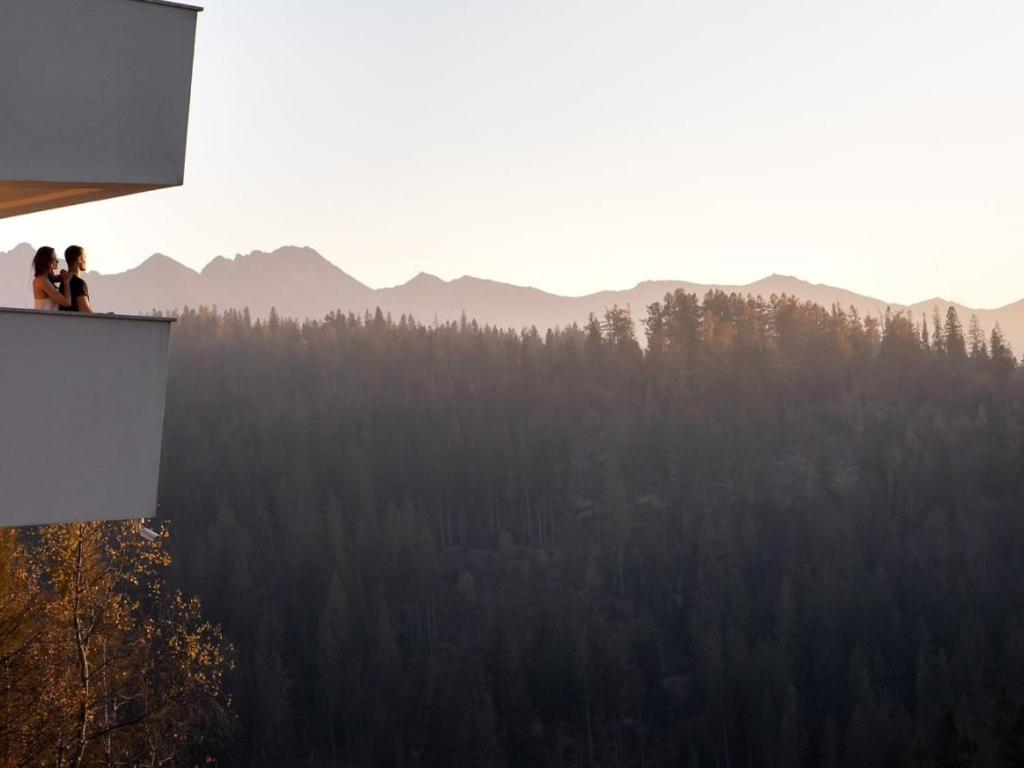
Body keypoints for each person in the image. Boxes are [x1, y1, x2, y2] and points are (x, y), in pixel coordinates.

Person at [31, 246, 72, 311]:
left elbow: (57, 278)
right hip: (44, 319)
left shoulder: (43, 279)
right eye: (55, 258)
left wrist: (64, 275)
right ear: (48, 261)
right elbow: (66, 303)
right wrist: (66, 282)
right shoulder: (42, 281)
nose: (57, 261)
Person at [59, 245, 93, 313]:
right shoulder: (79, 283)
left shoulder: (63, 283)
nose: (86, 260)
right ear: (79, 259)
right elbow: (85, 311)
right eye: (84, 257)